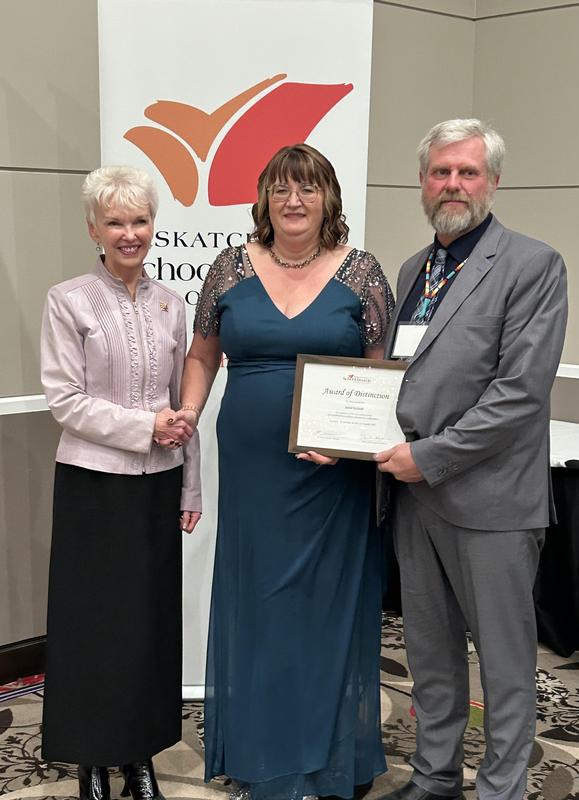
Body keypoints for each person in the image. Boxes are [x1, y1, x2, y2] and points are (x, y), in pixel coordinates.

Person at [178, 143, 394, 800]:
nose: (293, 201)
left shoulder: (362, 272)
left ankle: (329, 759)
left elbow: (383, 375)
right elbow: (202, 356)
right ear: (264, 200)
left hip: (334, 477)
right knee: (261, 605)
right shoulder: (229, 267)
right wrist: (187, 414)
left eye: (307, 188)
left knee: (325, 608)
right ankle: (262, 753)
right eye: (280, 188)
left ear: (329, 199)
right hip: (252, 470)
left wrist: (352, 444)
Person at [375, 119, 568, 800]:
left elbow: (519, 392)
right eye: (441, 172)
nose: (452, 184)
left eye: (467, 172)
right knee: (429, 654)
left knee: (504, 661)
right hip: (413, 497)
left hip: (490, 499)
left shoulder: (533, 264)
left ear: (493, 181)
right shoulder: (413, 270)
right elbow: (401, 378)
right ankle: (435, 776)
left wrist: (429, 456)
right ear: (422, 182)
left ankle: (501, 787)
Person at [40, 166, 202, 800]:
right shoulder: (68, 300)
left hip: (157, 487)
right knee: (93, 626)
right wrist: (144, 426)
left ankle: (139, 756)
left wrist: (191, 488)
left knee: (148, 628)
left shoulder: (172, 305)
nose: (129, 233)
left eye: (140, 220)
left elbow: (184, 410)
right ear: (94, 229)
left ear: (153, 225)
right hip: (93, 487)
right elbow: (65, 400)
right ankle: (92, 761)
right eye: (115, 222)